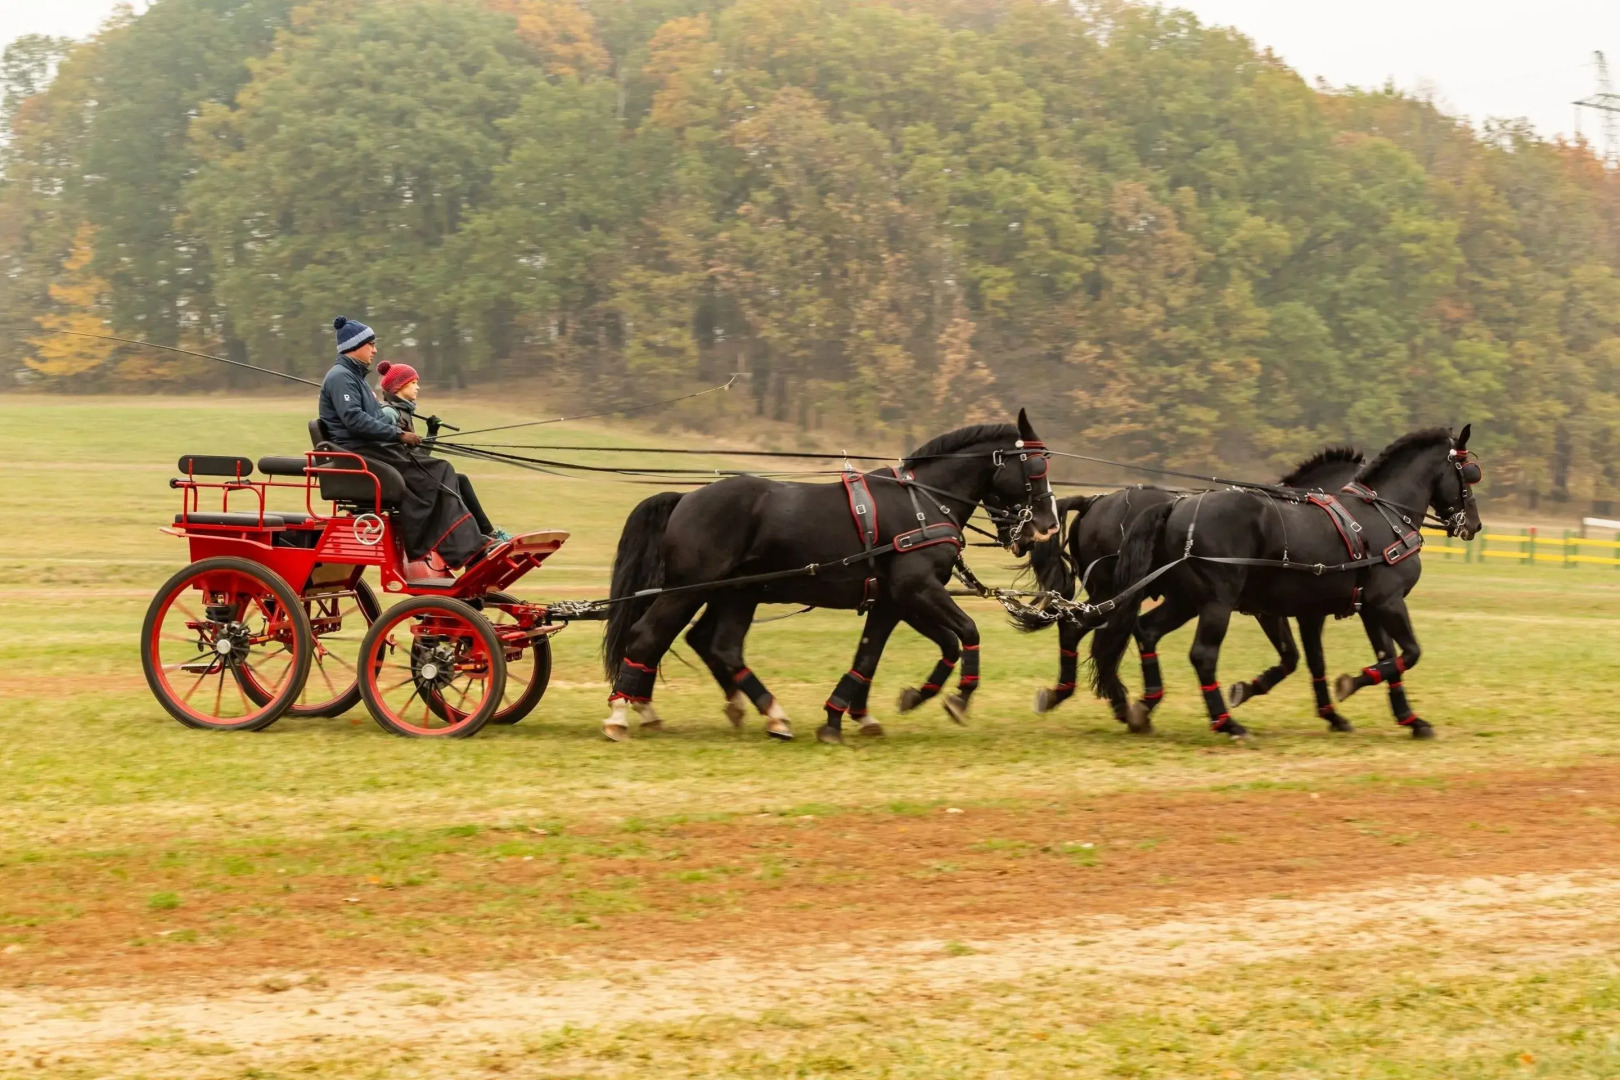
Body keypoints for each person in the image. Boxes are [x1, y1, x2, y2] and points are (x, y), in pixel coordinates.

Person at [317, 316, 487, 568]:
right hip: (360, 454)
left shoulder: (354, 378)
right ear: (355, 346)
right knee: (440, 470)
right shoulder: (341, 377)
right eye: (371, 344)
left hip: (372, 450)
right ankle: (465, 552)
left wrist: (401, 434)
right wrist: (398, 435)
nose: (375, 350)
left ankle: (473, 543)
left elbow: (372, 418)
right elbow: (354, 419)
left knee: (441, 472)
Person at [377, 359, 512, 542]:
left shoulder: (403, 413)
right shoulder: (389, 413)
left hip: (410, 472)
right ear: (398, 386)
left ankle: (487, 534)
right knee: (450, 482)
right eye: (413, 383)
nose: (418, 388)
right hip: (402, 478)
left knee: (461, 480)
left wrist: (432, 432)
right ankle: (473, 539)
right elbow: (383, 451)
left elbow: (420, 457)